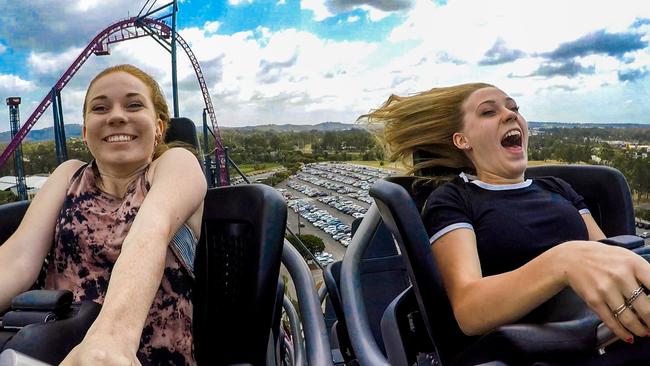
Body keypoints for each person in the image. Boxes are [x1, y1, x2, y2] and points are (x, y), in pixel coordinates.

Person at [361, 83, 650, 364]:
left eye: (514, 108)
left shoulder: (558, 188)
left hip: (609, 320)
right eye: (488, 112)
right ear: (463, 140)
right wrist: (564, 261)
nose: (511, 114)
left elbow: (607, 253)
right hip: (548, 344)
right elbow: (469, 310)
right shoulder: (453, 200)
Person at [0, 64, 207, 366]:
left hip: (136, 355)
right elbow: (17, 258)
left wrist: (111, 339)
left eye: (134, 105)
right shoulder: (67, 176)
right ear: (85, 132)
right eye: (100, 108)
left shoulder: (176, 164)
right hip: (51, 347)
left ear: (159, 127)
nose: (116, 116)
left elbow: (151, 230)